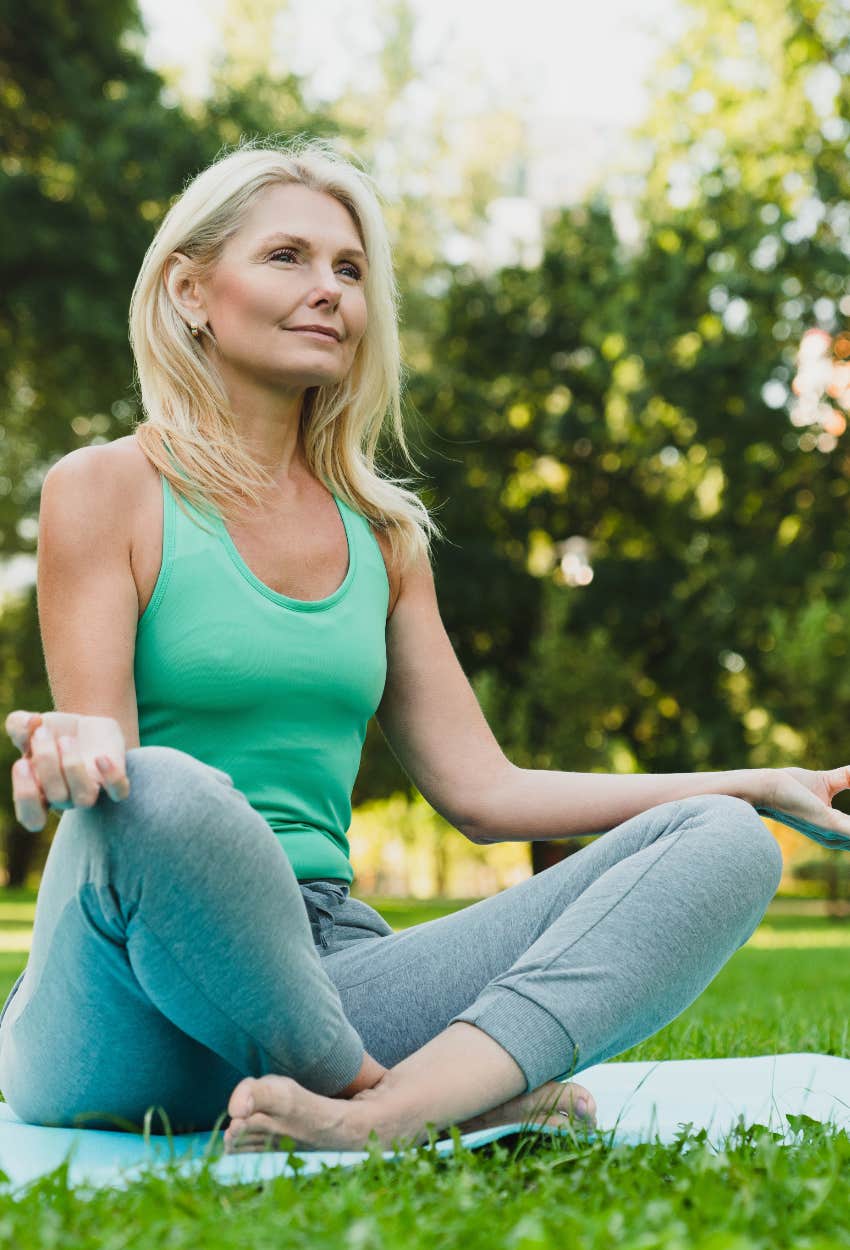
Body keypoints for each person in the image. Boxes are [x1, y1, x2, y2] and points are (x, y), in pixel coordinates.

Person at [0, 136, 846, 1155]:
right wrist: (71, 751)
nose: (330, 292)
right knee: (161, 786)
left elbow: (485, 791)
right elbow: (114, 778)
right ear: (190, 288)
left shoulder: (384, 534)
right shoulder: (106, 486)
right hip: (131, 997)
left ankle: (385, 1115)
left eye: (350, 270)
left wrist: (759, 781)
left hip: (333, 971)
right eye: (288, 258)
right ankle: (402, 1093)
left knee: (721, 840)